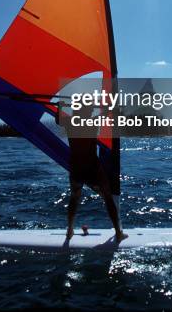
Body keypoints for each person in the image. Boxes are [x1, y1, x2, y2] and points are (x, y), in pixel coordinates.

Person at [56, 102, 127, 243]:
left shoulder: (70, 121)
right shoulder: (92, 121)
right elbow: (108, 114)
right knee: (107, 197)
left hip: (76, 168)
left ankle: (69, 229)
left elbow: (58, 120)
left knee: (74, 197)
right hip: (92, 168)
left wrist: (60, 106)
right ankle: (118, 233)